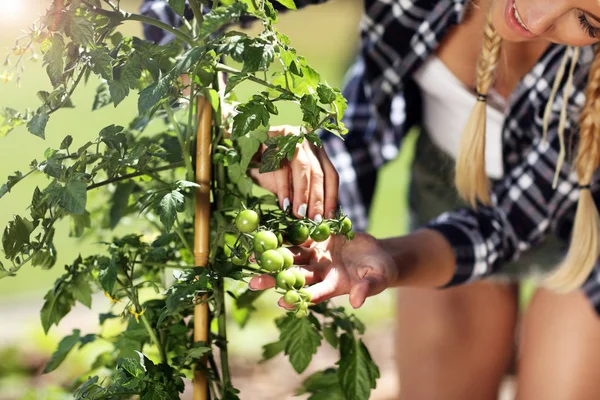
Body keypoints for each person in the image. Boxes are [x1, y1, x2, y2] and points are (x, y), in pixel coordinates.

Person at [143, 0, 600, 398]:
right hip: (449, 192)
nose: (537, 18)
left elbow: (507, 225)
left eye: (588, 21)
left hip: (589, 233)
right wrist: (241, 131)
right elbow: (176, 11)